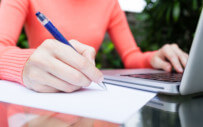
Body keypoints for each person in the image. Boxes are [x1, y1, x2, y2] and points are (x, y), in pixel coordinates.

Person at [0, 0, 188, 93]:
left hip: (86, 98)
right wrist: (24, 64)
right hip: (43, 101)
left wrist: (153, 58)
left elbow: (130, 56)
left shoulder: (109, 3)